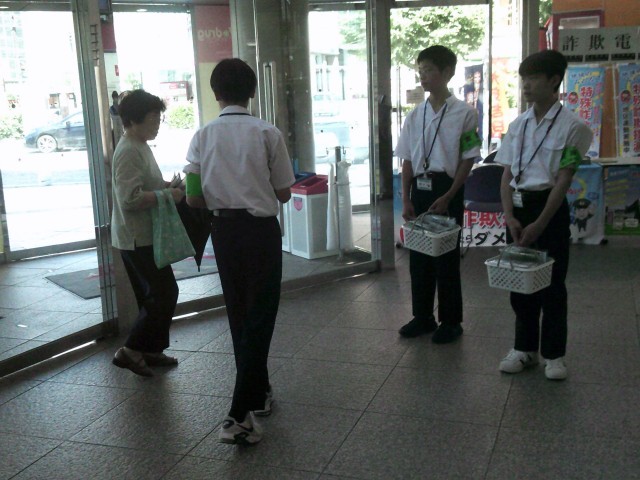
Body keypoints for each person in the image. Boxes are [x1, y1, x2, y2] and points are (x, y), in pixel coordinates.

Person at [184, 58, 295, 445]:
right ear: (252, 91)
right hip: (260, 232)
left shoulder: (202, 136)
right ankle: (237, 415)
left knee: (240, 314)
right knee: (261, 315)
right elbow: (284, 193)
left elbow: (193, 198)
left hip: (224, 232)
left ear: (215, 93)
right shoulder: (267, 133)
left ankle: (259, 393)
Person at [495, 50, 592, 380]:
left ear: (554, 81)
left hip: (548, 209)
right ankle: (524, 349)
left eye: (533, 78)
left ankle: (554, 355)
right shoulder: (517, 125)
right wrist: (509, 216)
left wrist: (540, 223)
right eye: (524, 78)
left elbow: (563, 180)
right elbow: (507, 175)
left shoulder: (575, 127)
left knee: (552, 284)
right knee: (519, 282)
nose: (526, 85)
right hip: (518, 208)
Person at [395, 45, 481, 344]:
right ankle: (422, 316)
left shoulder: (465, 113)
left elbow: (468, 158)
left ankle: (451, 321)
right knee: (418, 257)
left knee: (446, 258)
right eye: (420, 71)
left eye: (429, 70)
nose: (423, 76)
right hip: (419, 189)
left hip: (447, 188)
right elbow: (407, 159)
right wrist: (406, 198)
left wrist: (450, 195)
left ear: (447, 72)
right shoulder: (414, 115)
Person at [110, 89, 185, 377]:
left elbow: (144, 184)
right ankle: (130, 350)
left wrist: (165, 186)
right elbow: (129, 198)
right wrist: (167, 195)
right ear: (134, 120)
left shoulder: (139, 145)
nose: (157, 125)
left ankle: (151, 350)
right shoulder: (128, 150)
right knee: (164, 293)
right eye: (153, 119)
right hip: (136, 237)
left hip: (143, 235)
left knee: (152, 295)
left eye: (159, 119)